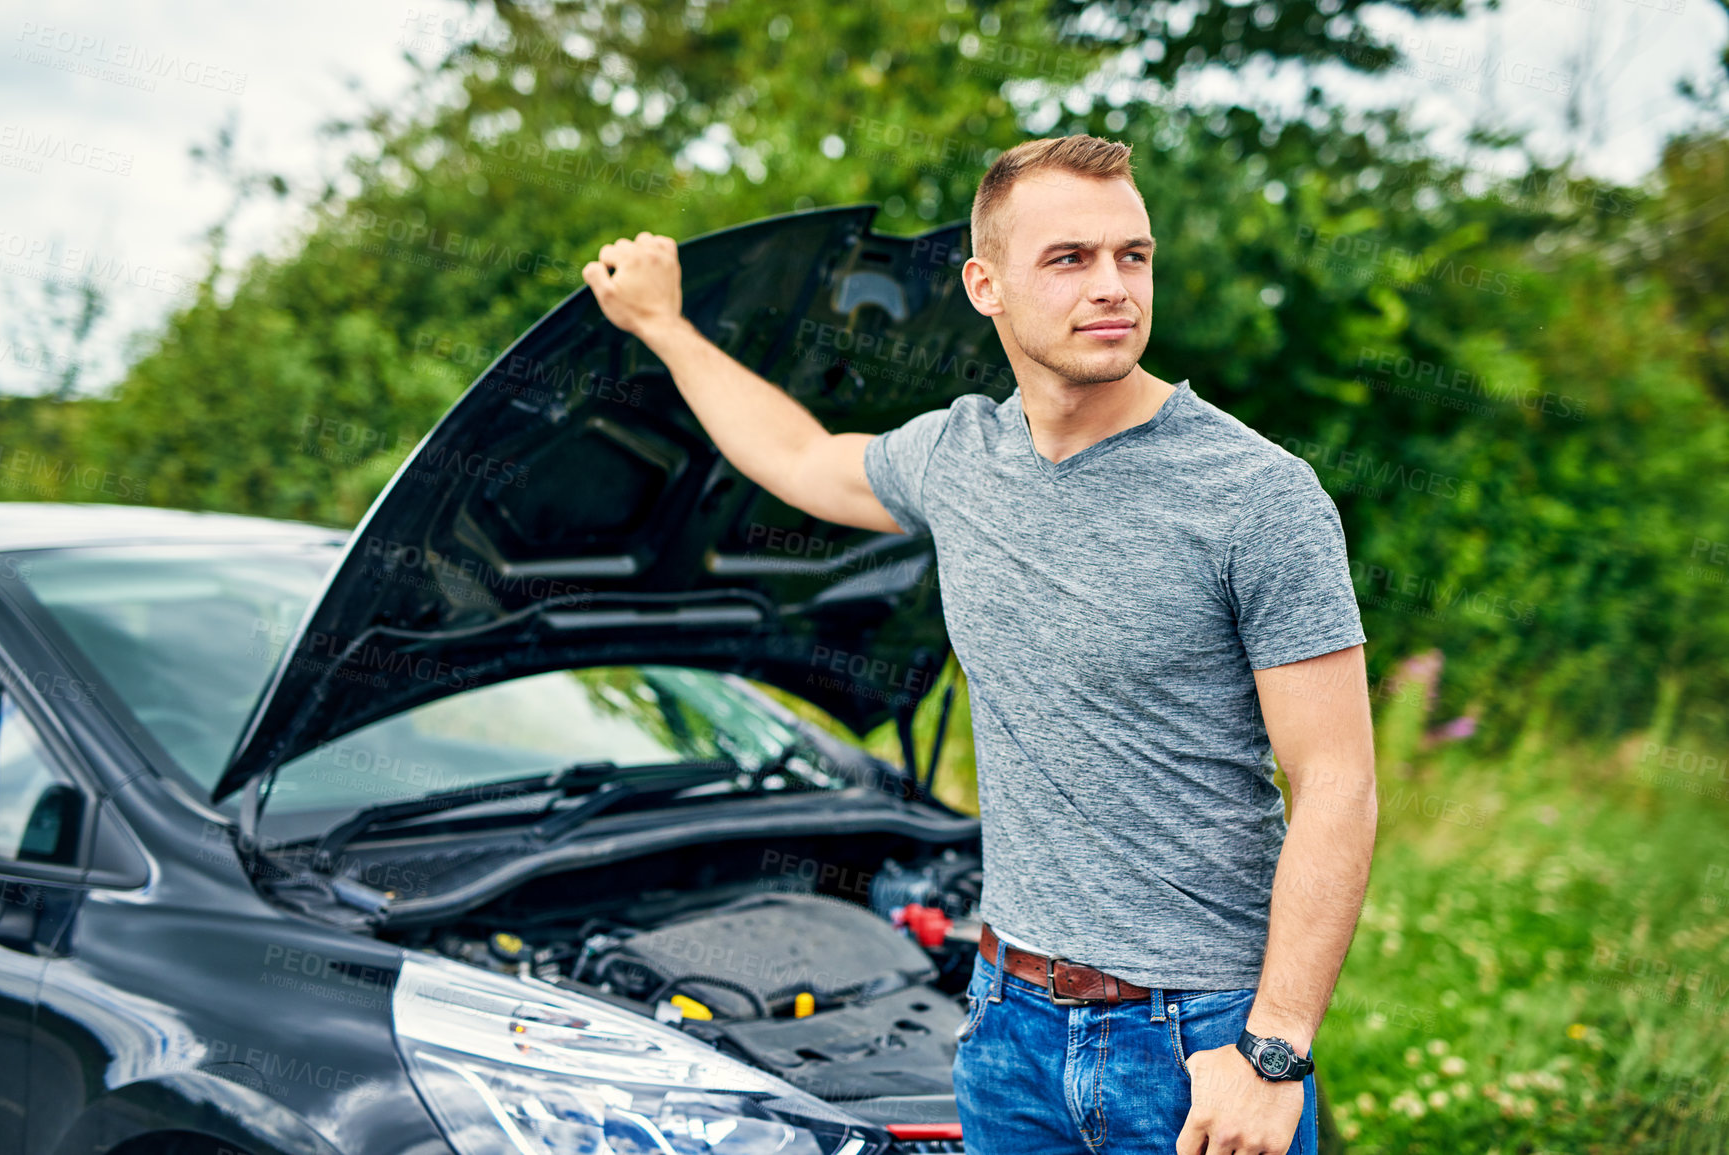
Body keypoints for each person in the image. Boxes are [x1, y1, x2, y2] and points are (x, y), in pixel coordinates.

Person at [581, 133, 1377, 1155]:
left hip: (1196, 1039)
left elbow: (1340, 782)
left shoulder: (1257, 497)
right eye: (1069, 259)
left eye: (1133, 256)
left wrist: (1274, 1051)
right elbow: (795, 455)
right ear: (984, 284)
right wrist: (662, 324)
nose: (1114, 287)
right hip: (1006, 1026)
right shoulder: (961, 457)